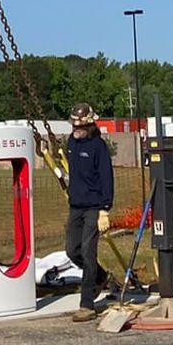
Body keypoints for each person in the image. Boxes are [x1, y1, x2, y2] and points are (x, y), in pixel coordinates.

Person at [63, 105, 115, 311]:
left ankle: (86, 303)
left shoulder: (98, 146)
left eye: (82, 126)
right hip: (75, 206)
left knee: (87, 252)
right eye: (74, 126)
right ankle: (101, 277)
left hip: (94, 207)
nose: (77, 130)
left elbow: (106, 178)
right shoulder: (71, 143)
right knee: (72, 250)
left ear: (91, 124)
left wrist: (105, 209)